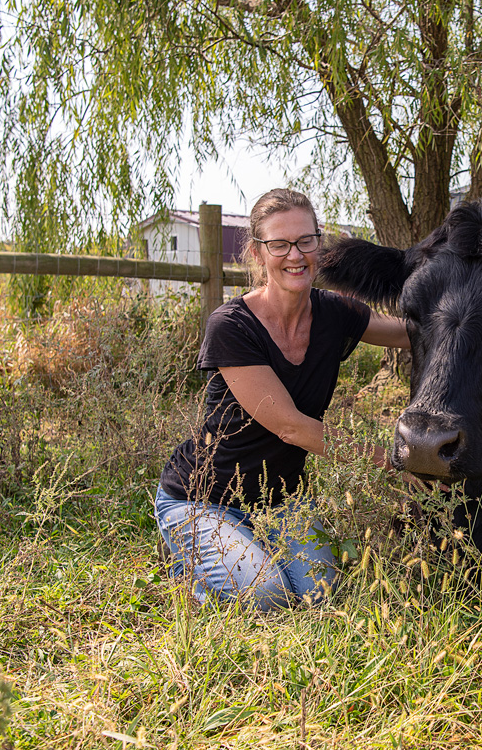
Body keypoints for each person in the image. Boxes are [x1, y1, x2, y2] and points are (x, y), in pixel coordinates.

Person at [154, 188, 410, 610]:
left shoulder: (335, 313)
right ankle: (190, 562)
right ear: (258, 253)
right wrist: (391, 461)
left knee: (318, 594)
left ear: (319, 244)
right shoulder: (232, 325)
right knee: (270, 596)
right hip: (204, 497)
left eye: (306, 240)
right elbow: (291, 427)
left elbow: (406, 333)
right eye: (279, 244)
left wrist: (470, 314)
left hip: (281, 499)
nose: (296, 255)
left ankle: (239, 552)